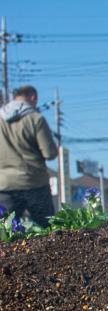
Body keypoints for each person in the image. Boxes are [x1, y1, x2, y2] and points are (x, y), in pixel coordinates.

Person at [0, 85, 57, 227]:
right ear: (33, 97)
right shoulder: (35, 119)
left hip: (5, 185)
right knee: (51, 232)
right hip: (35, 183)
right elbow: (50, 154)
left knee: (4, 232)